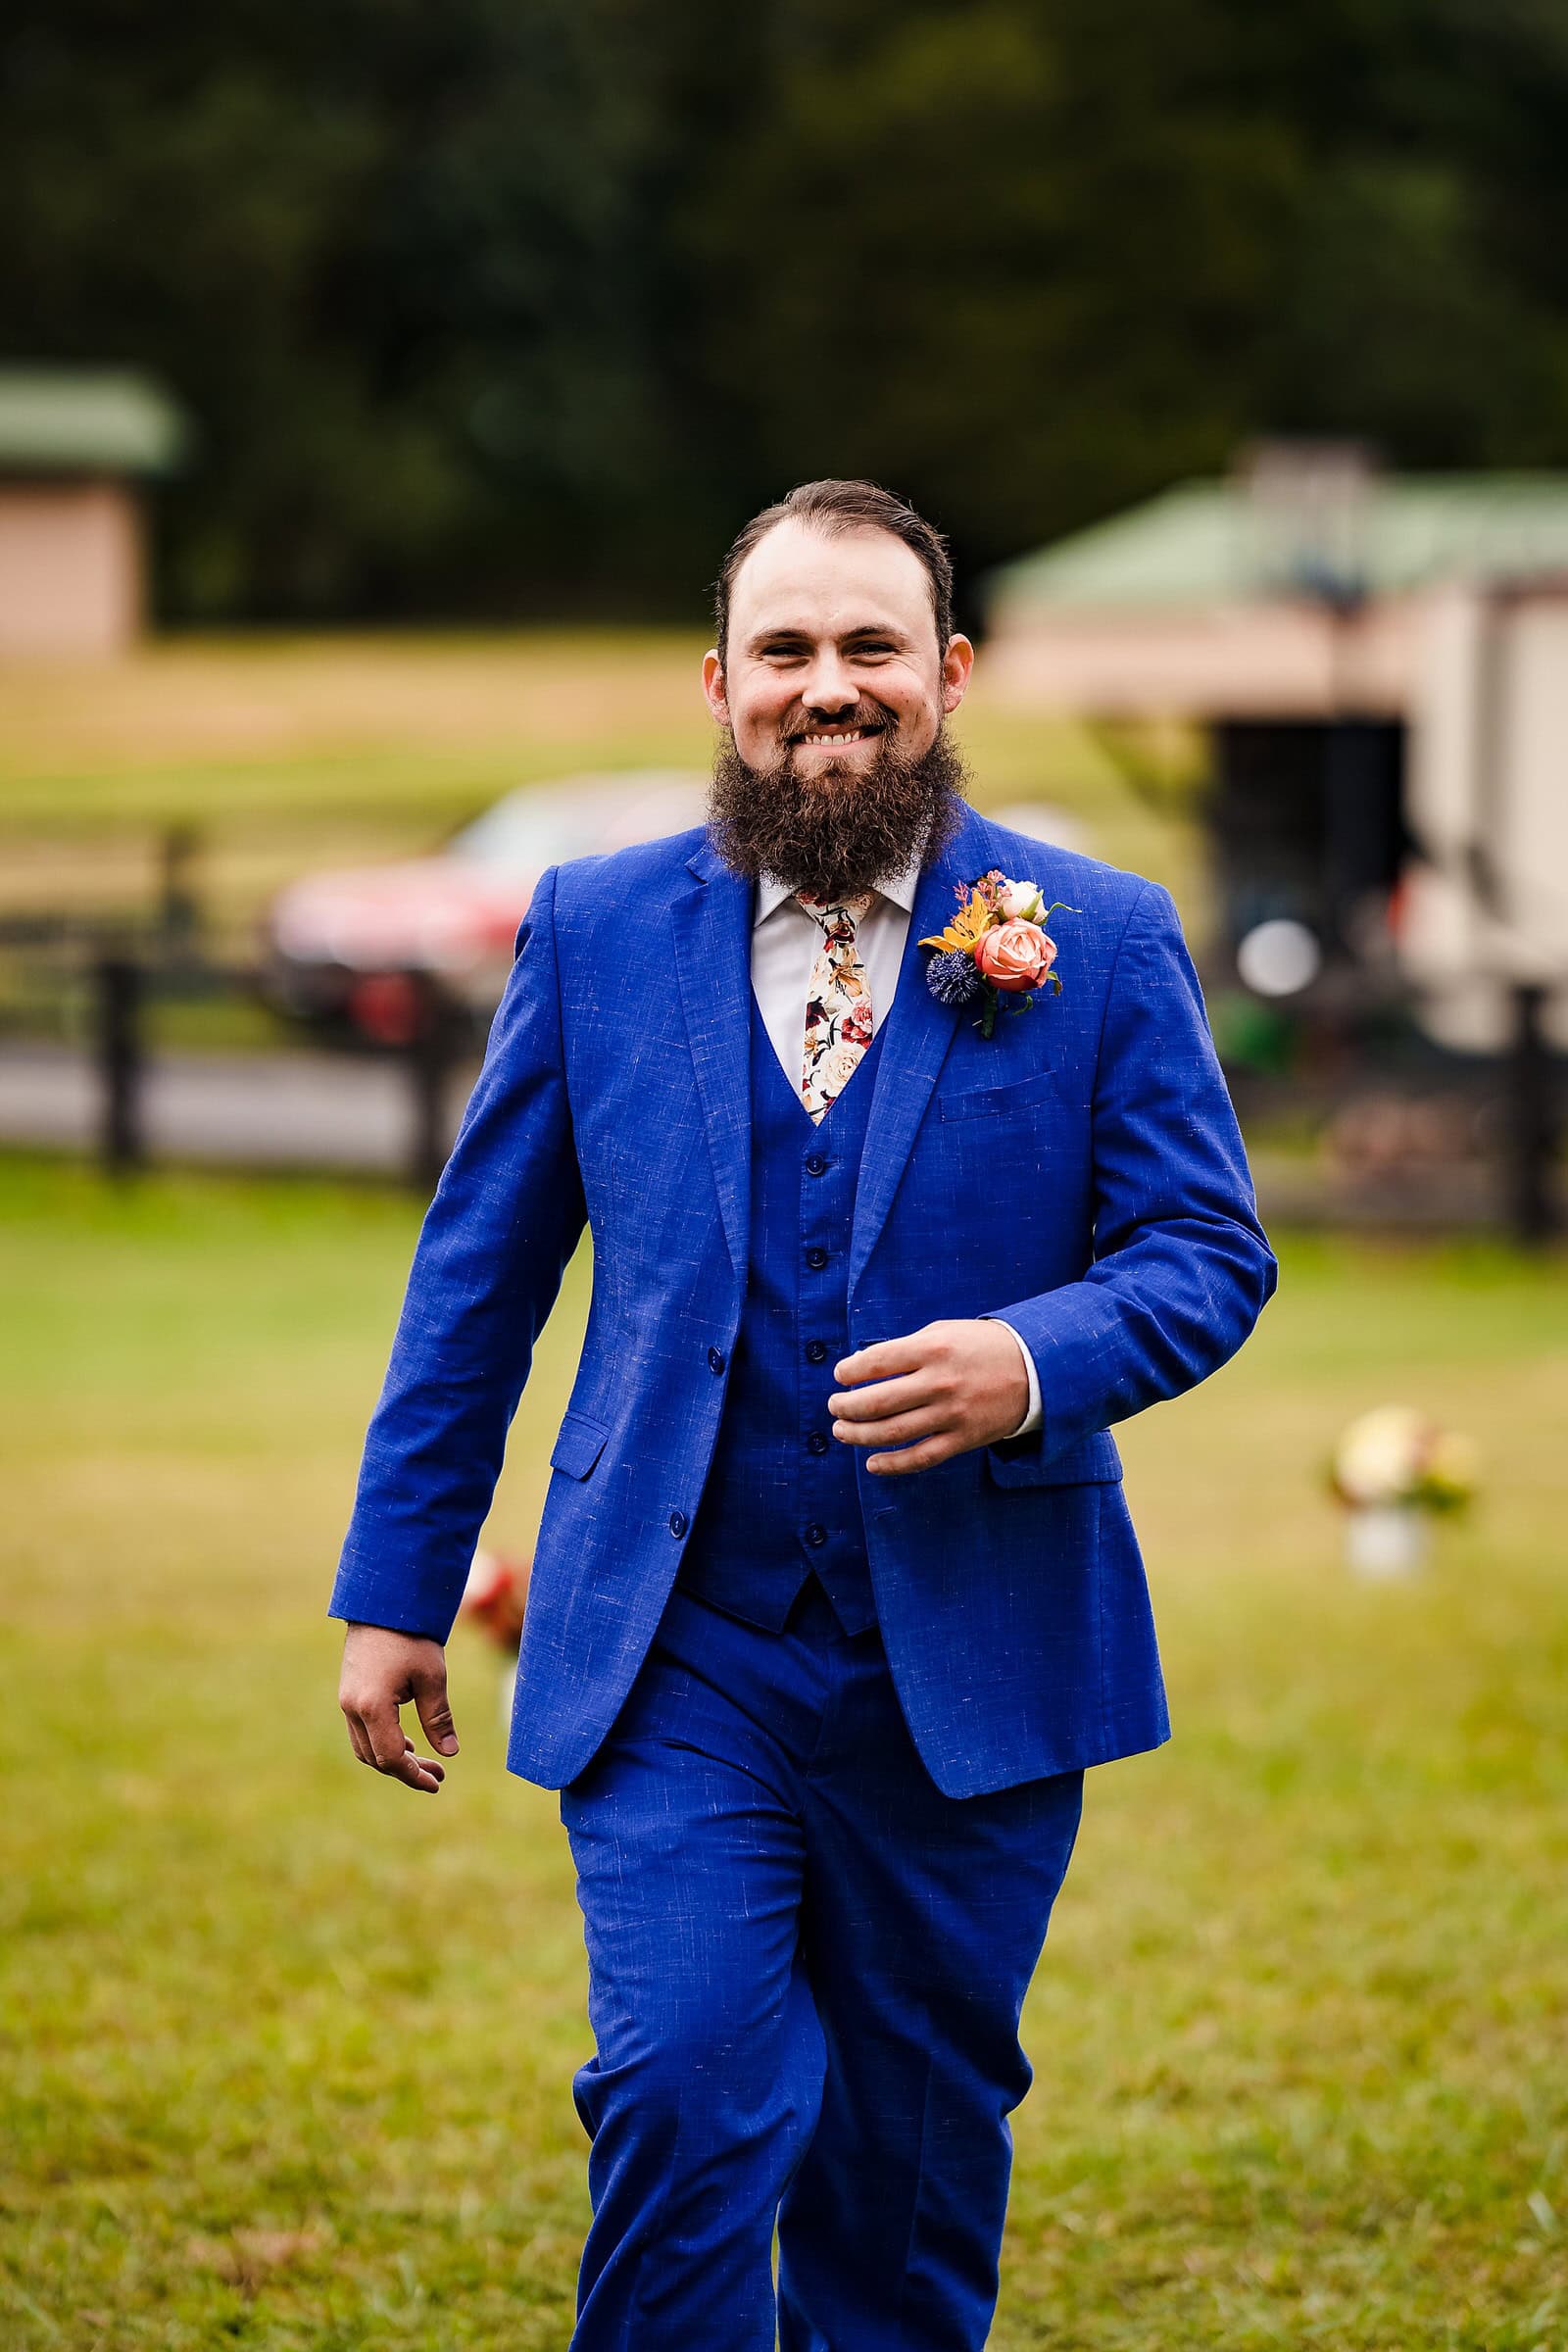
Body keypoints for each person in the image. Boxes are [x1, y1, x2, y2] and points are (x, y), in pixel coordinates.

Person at [330, 478, 1277, 2349]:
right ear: (718, 681)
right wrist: (397, 1585)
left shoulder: (1098, 930)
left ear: (949, 671)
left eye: (869, 646)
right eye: (786, 649)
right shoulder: (597, 932)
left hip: (977, 1652)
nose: (826, 684)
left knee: (910, 2162)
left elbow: (1205, 1250)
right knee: (689, 2096)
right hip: (679, 1643)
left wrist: (1036, 1359)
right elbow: (478, 1283)